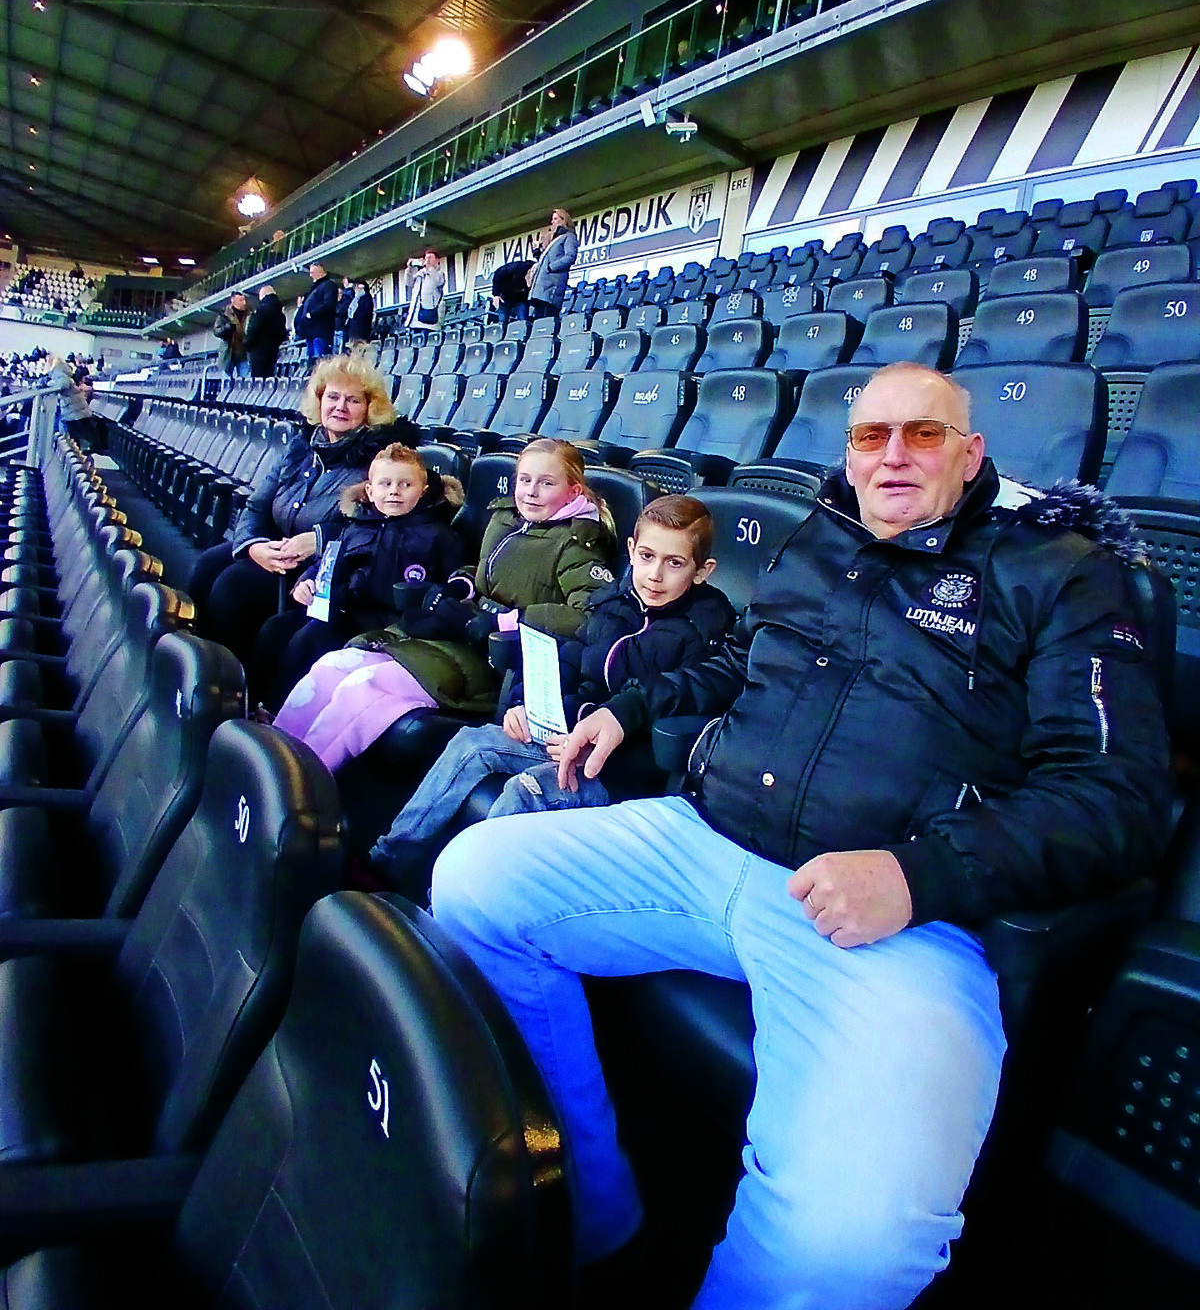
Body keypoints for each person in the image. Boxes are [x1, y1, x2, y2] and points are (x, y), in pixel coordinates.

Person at [431, 362, 1174, 1310]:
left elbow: (1118, 796)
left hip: (894, 921)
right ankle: (593, 1215)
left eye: (925, 433)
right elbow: (742, 658)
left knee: (845, 1248)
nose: (894, 453)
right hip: (705, 840)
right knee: (475, 880)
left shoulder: (1061, 572)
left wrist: (919, 873)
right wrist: (628, 708)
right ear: (850, 456)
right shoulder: (823, 536)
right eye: (871, 436)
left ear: (973, 452)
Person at [368, 494, 735, 893]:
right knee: (471, 744)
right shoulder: (615, 601)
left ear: (702, 571)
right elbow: (572, 659)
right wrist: (526, 704)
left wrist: (603, 721)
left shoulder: (708, 628)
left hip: (622, 766)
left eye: (675, 563)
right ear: (631, 550)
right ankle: (388, 864)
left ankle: (455, 908)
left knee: (527, 790)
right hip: (567, 735)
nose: (654, 575)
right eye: (646, 557)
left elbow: (680, 694)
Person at [273, 437, 617, 774]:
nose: (531, 491)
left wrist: (507, 621)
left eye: (546, 483)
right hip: (460, 632)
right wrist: (459, 586)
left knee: (364, 685)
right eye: (525, 480)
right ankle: (274, 754)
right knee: (334, 665)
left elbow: (590, 617)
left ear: (573, 492)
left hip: (501, 662)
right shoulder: (508, 519)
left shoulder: (578, 543)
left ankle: (301, 782)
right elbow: (485, 575)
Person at [187, 354, 415, 672]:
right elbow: (257, 505)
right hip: (276, 548)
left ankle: (228, 685)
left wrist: (317, 540)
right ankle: (196, 662)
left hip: (323, 567)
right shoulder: (301, 446)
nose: (341, 407)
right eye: (333, 397)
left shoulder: (378, 461)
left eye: (353, 400)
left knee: (233, 588)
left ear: (369, 408)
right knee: (206, 565)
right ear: (319, 401)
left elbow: (374, 527)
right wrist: (253, 546)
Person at [254, 442, 467, 712]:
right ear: (369, 490)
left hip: (393, 627)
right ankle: (255, 703)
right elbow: (328, 565)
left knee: (309, 640)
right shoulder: (356, 526)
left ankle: (277, 713)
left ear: (423, 491)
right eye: (385, 484)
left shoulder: (441, 536)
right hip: (348, 610)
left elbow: (455, 584)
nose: (394, 492)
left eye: (405, 485)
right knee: (275, 628)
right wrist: (307, 581)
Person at [527, 206, 578, 320]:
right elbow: (544, 262)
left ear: (563, 220)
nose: (552, 222)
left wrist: (551, 268)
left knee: (549, 319)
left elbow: (570, 256)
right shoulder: (552, 241)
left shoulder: (568, 237)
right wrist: (537, 252)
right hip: (540, 288)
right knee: (539, 321)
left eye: (555, 219)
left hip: (552, 285)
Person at [45, 355, 100, 451]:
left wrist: (47, 384)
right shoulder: (63, 372)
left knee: (75, 430)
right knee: (86, 428)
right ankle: (91, 449)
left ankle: (79, 451)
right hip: (76, 405)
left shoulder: (58, 373)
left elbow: (63, 384)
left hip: (72, 407)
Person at [294, 262, 339, 360]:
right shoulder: (315, 288)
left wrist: (311, 315)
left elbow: (328, 305)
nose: (311, 275)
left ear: (321, 271)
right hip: (311, 331)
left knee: (320, 360)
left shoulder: (329, 285)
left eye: (312, 272)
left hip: (321, 331)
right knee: (312, 360)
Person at [244, 283, 287, 377]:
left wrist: (247, 344)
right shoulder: (280, 313)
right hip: (273, 351)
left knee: (257, 380)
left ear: (264, 296)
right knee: (269, 379)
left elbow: (253, 330)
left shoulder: (261, 310)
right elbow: (283, 334)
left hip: (258, 351)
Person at [404, 249, 446, 328]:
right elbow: (408, 283)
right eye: (426, 258)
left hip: (431, 320)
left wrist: (428, 268)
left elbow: (438, 281)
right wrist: (409, 269)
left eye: (430, 258)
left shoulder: (439, 273)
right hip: (415, 318)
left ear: (437, 260)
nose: (428, 260)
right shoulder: (420, 273)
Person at [214, 292, 250, 380]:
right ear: (233, 301)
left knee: (245, 382)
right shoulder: (224, 314)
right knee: (226, 382)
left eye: (244, 300)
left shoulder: (250, 314)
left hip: (244, 354)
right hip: (228, 354)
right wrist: (227, 328)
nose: (244, 303)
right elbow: (216, 331)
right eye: (241, 300)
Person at [490, 255, 531, 333]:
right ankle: (501, 337)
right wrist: (496, 294)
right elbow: (498, 274)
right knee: (502, 320)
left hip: (521, 298)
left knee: (523, 320)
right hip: (505, 296)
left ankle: (522, 336)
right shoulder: (518, 267)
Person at [344, 277, 374, 344]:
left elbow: (367, 312)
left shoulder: (367, 298)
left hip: (362, 329)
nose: (357, 289)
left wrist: (358, 319)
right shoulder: (355, 299)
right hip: (353, 328)